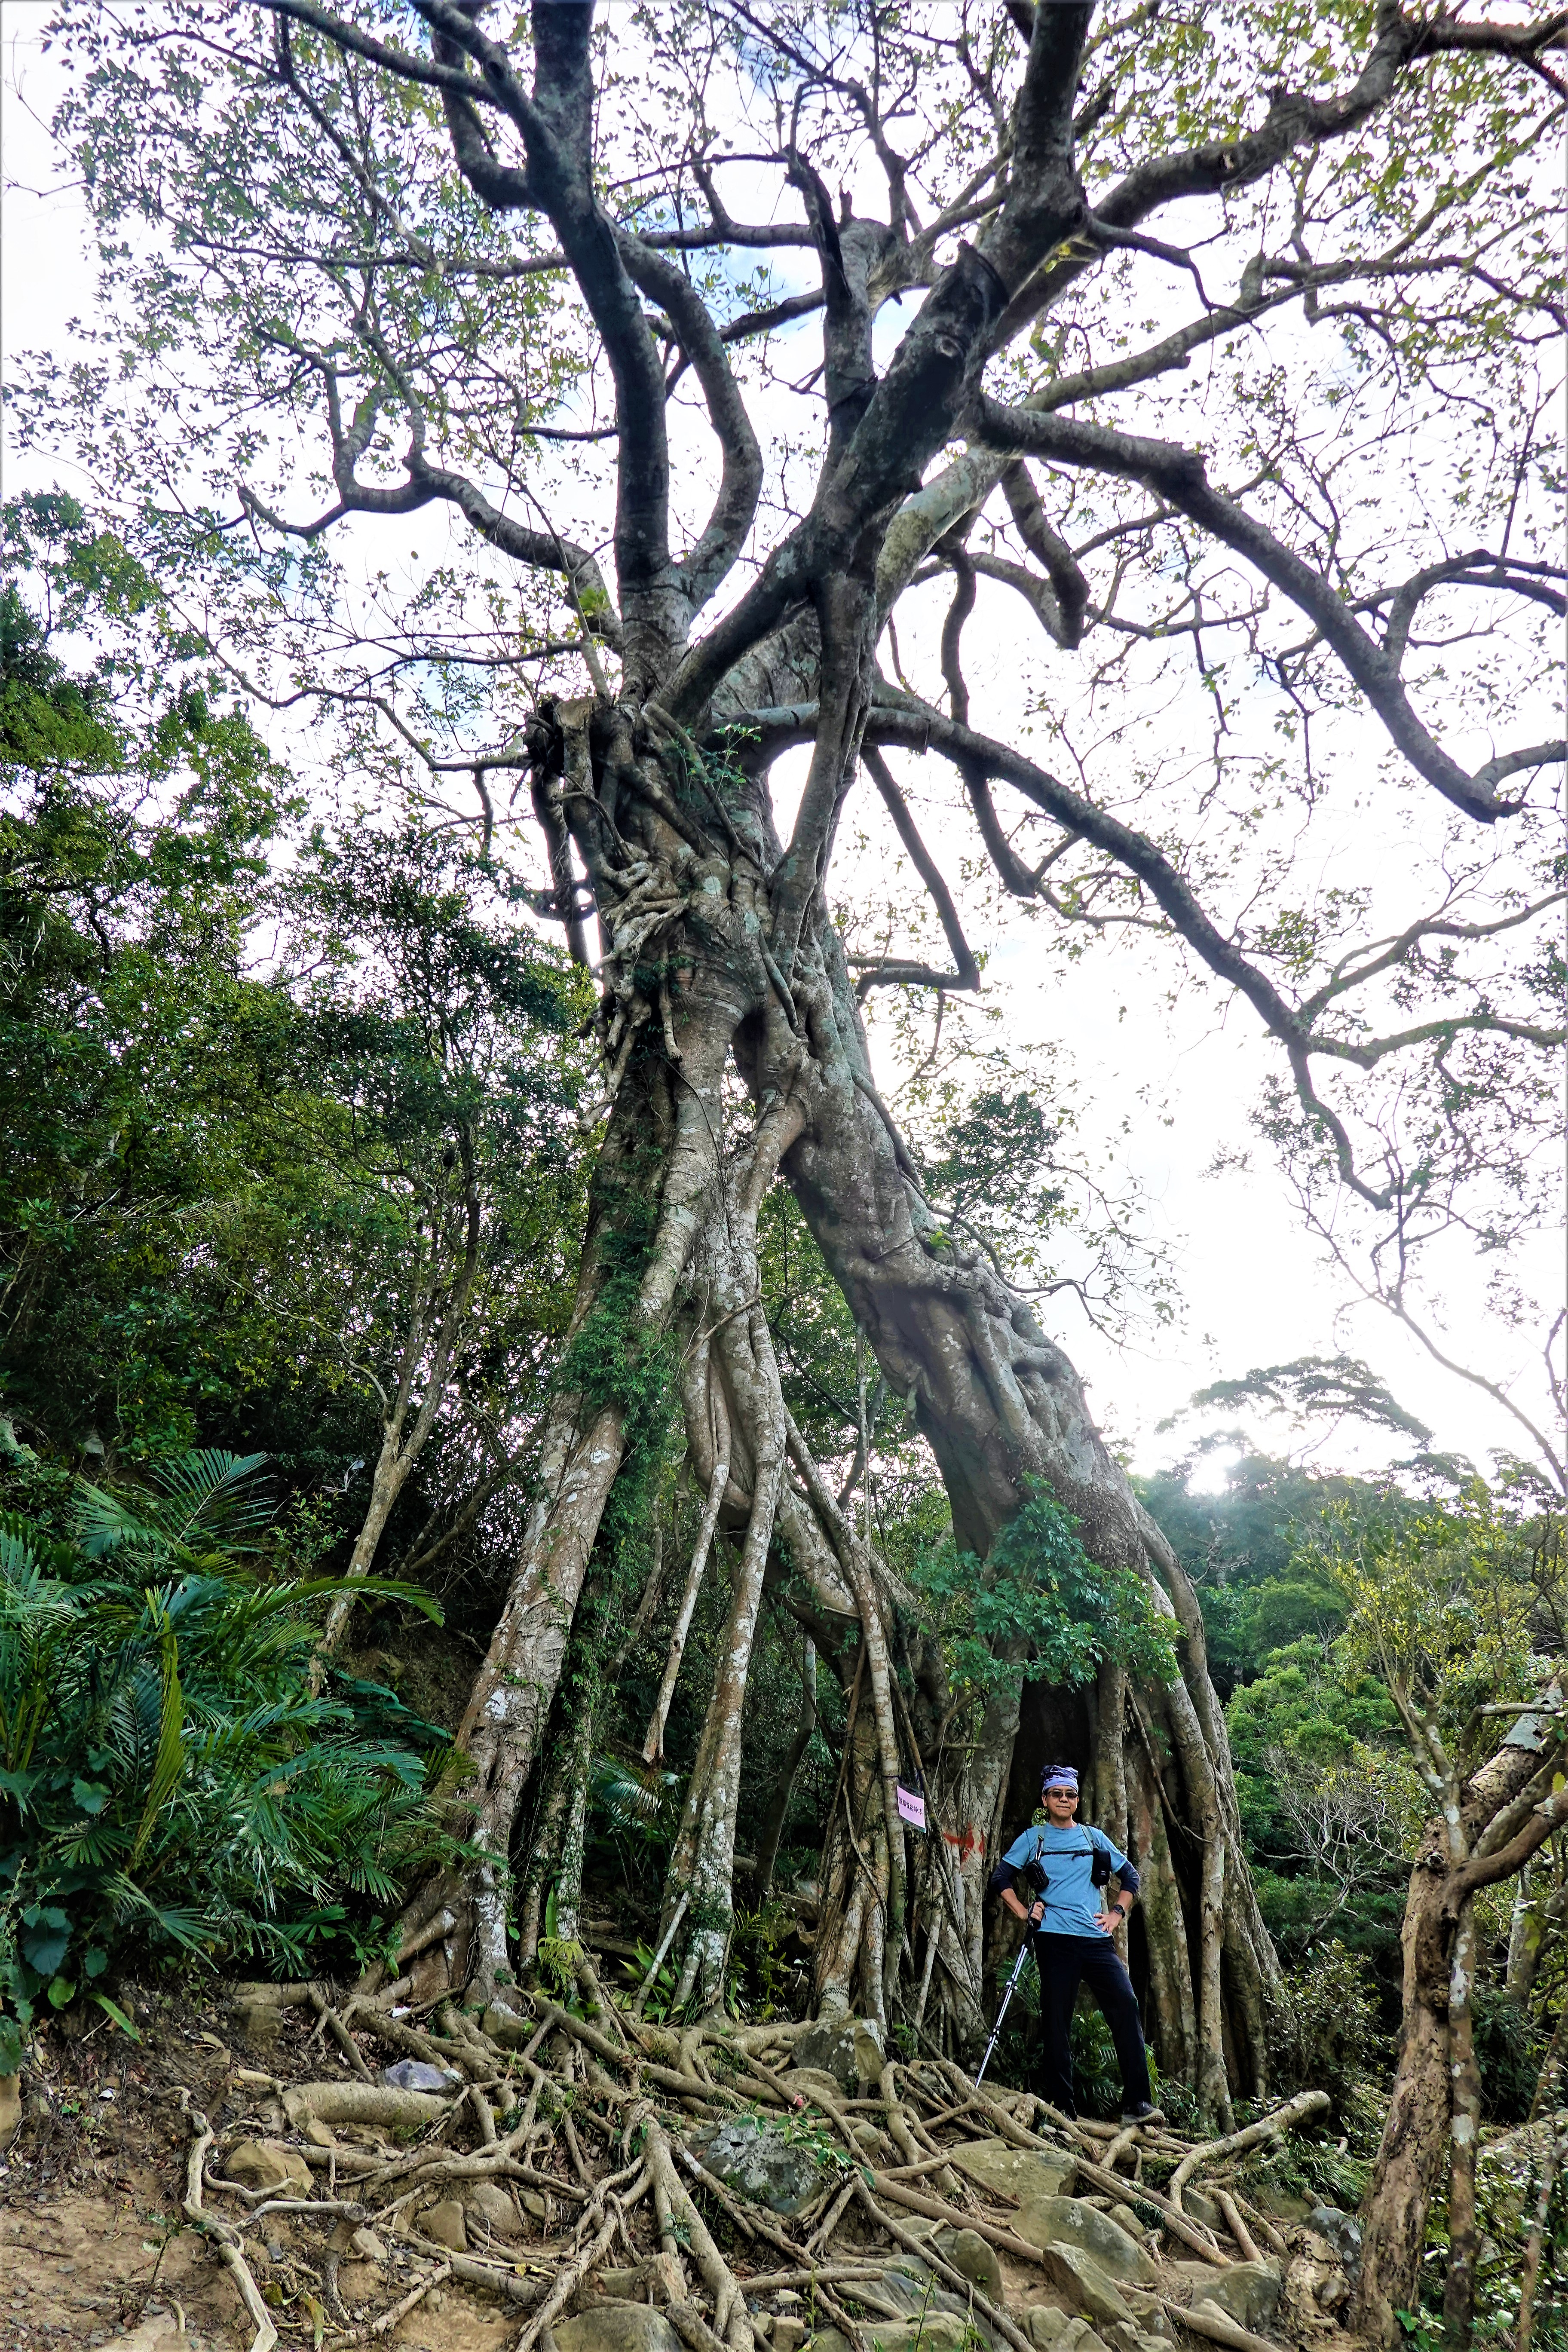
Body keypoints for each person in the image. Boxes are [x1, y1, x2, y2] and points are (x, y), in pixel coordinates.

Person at [989, 1763, 1158, 2124]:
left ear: (1077, 1801)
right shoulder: (1034, 1839)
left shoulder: (1093, 1838)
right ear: (1045, 1799)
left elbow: (1130, 1876)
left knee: (1126, 2005)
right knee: (1057, 2020)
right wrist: (1024, 1912)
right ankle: (1063, 2110)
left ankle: (1137, 2104)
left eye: (1070, 1794)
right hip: (1054, 1940)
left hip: (1096, 1941)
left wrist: (1116, 1915)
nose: (1064, 1799)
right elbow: (1001, 1877)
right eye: (1057, 1794)